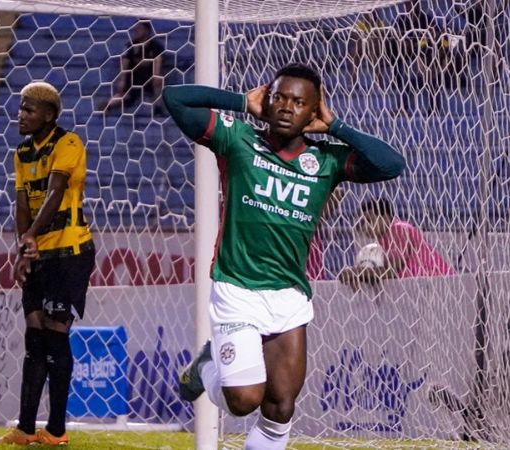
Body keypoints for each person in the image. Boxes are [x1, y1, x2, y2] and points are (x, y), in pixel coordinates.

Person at [163, 63, 405, 449]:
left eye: (299, 102)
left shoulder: (326, 159)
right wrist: (241, 102)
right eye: (279, 97)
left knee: (280, 408)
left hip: (289, 295)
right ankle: (208, 368)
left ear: (313, 111)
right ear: (268, 99)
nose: (287, 107)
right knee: (244, 401)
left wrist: (336, 126)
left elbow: (392, 165)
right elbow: (174, 98)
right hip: (237, 288)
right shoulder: (239, 139)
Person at [0, 82, 95, 446]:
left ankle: (58, 430)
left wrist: (31, 237)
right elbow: (22, 203)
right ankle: (26, 429)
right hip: (38, 253)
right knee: (34, 337)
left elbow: (55, 192)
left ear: (49, 115)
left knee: (55, 334)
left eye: (28, 109)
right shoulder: (21, 153)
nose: (20, 115)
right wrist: (23, 247)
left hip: (69, 253)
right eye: (20, 108)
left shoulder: (68, 144)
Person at [338, 198, 453, 289]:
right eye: (362, 223)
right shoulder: (384, 239)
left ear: (386, 217)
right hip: (424, 286)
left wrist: (357, 272)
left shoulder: (399, 229)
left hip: (438, 284)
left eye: (369, 220)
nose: (365, 227)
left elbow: (391, 271)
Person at [103, 20, 164, 113]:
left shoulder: (155, 46)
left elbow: (158, 62)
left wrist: (156, 76)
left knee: (158, 80)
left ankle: (158, 108)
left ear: (147, 30)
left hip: (149, 78)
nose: (136, 31)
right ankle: (107, 105)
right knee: (126, 97)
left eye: (139, 29)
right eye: (135, 29)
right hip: (133, 79)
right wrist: (122, 81)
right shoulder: (130, 45)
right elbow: (124, 63)